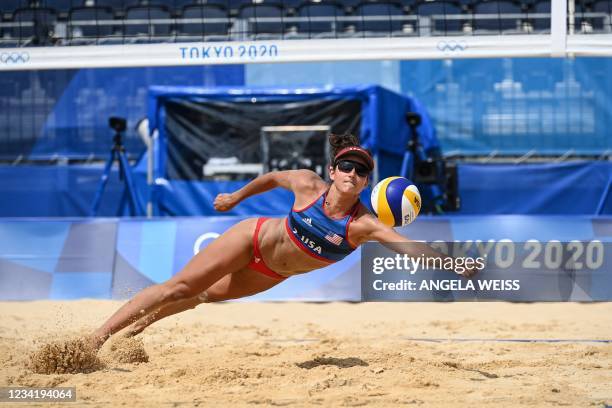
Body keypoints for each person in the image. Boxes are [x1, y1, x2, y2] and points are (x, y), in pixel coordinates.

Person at [88, 133, 476, 351]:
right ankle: (94, 339)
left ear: (365, 182)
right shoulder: (308, 184)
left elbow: (410, 247)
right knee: (181, 286)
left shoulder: (363, 225)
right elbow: (272, 178)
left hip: (270, 273)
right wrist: (236, 198)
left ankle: (132, 333)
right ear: (333, 169)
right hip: (252, 238)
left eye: (361, 171)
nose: (352, 173)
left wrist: (453, 264)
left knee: (201, 297)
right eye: (346, 166)